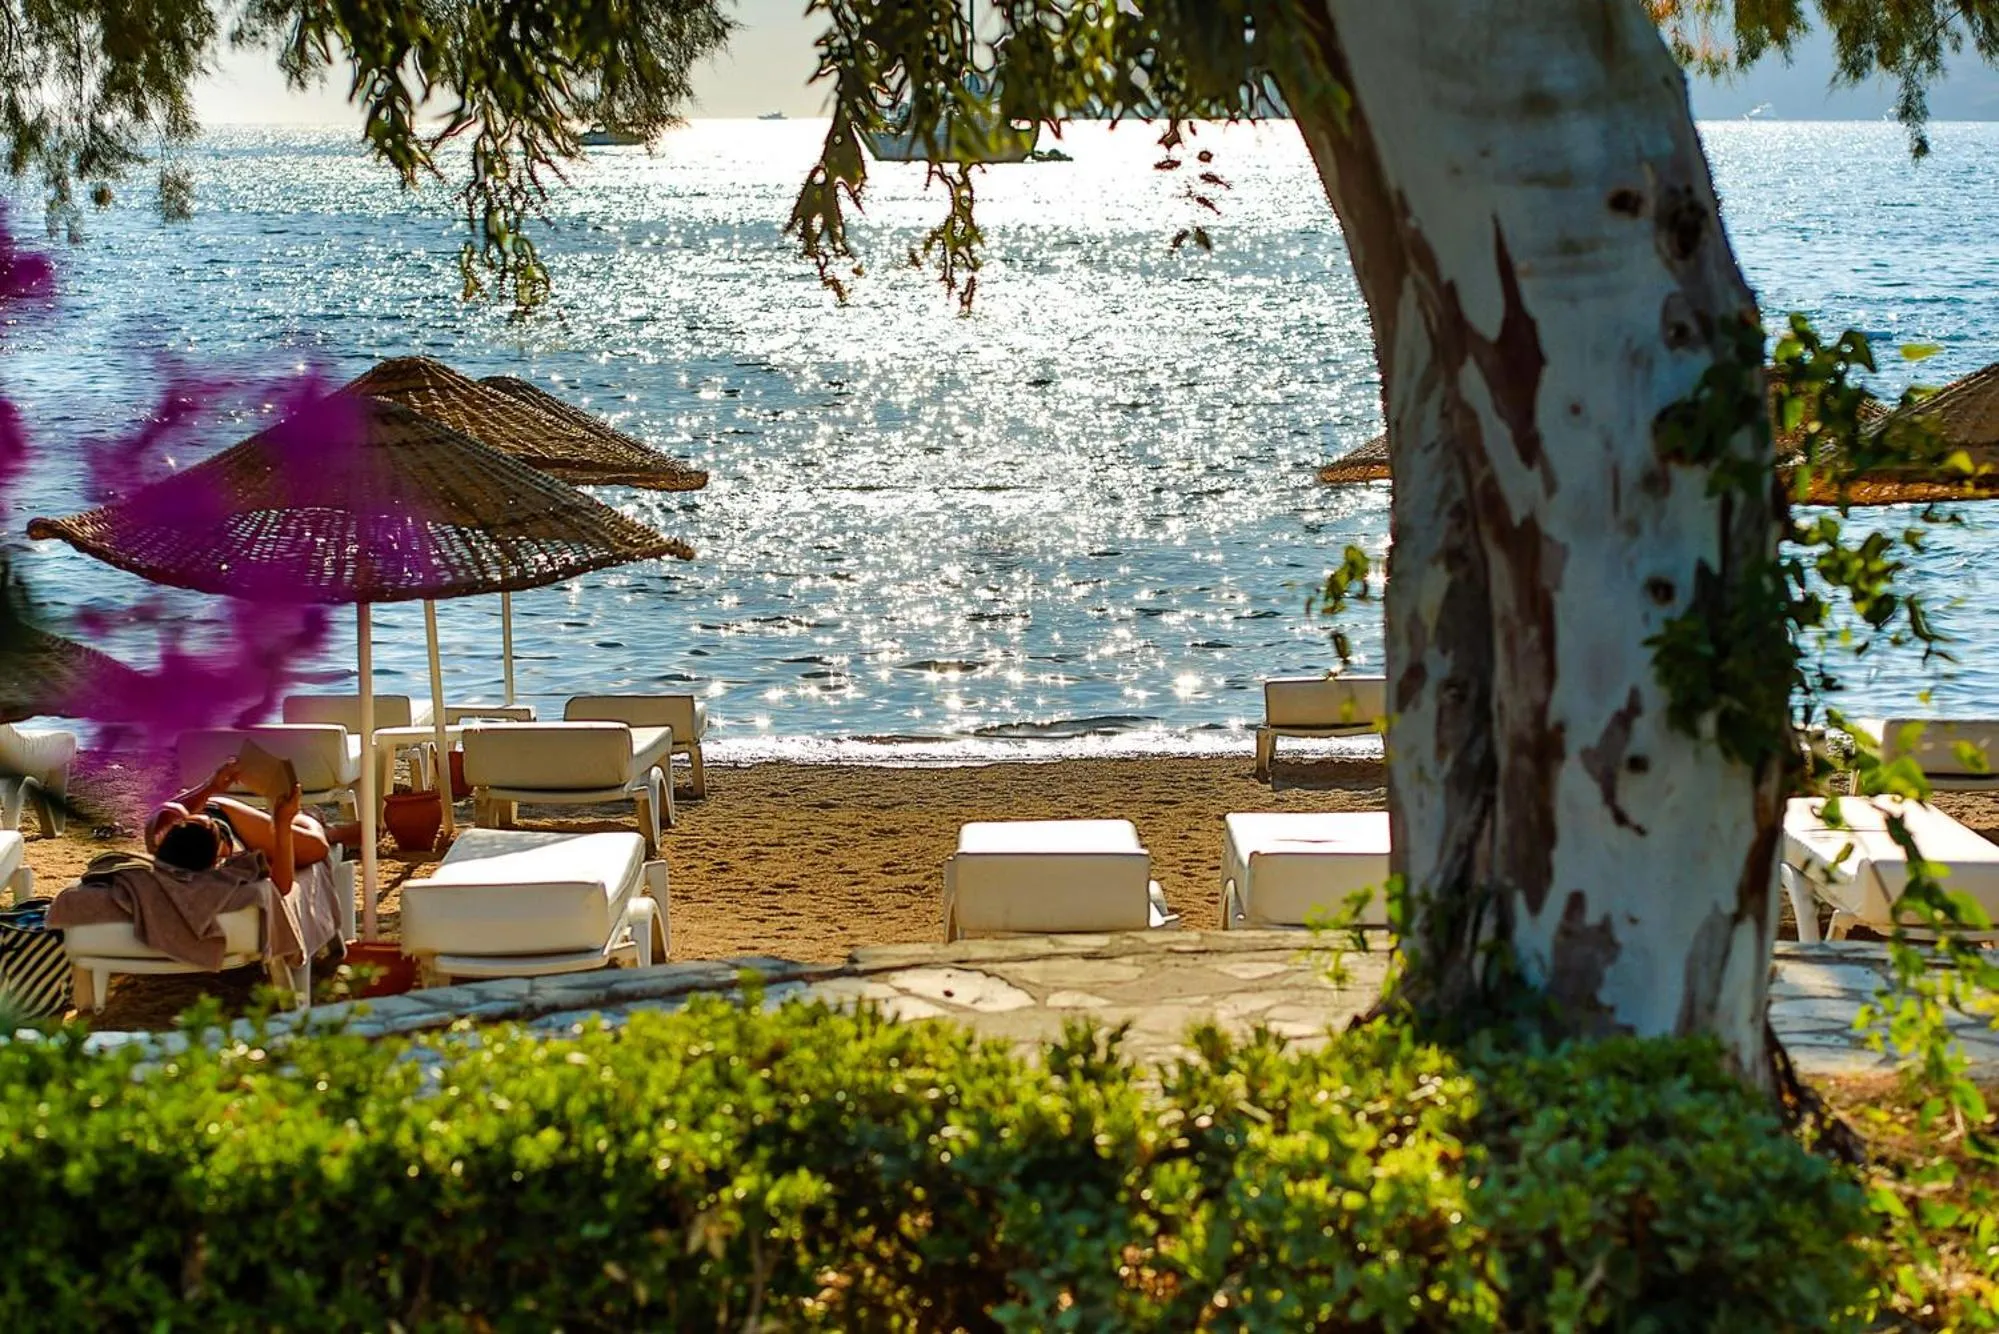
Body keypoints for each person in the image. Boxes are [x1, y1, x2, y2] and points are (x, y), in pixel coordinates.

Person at [146, 758, 331, 895]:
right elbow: (280, 887)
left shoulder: (160, 831)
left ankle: (312, 825)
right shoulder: (229, 870)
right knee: (317, 848)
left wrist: (211, 787)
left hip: (227, 814)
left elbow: (168, 808)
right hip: (233, 836)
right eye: (206, 821)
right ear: (217, 859)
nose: (198, 815)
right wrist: (283, 825)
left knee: (313, 847)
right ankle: (309, 818)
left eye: (193, 818)